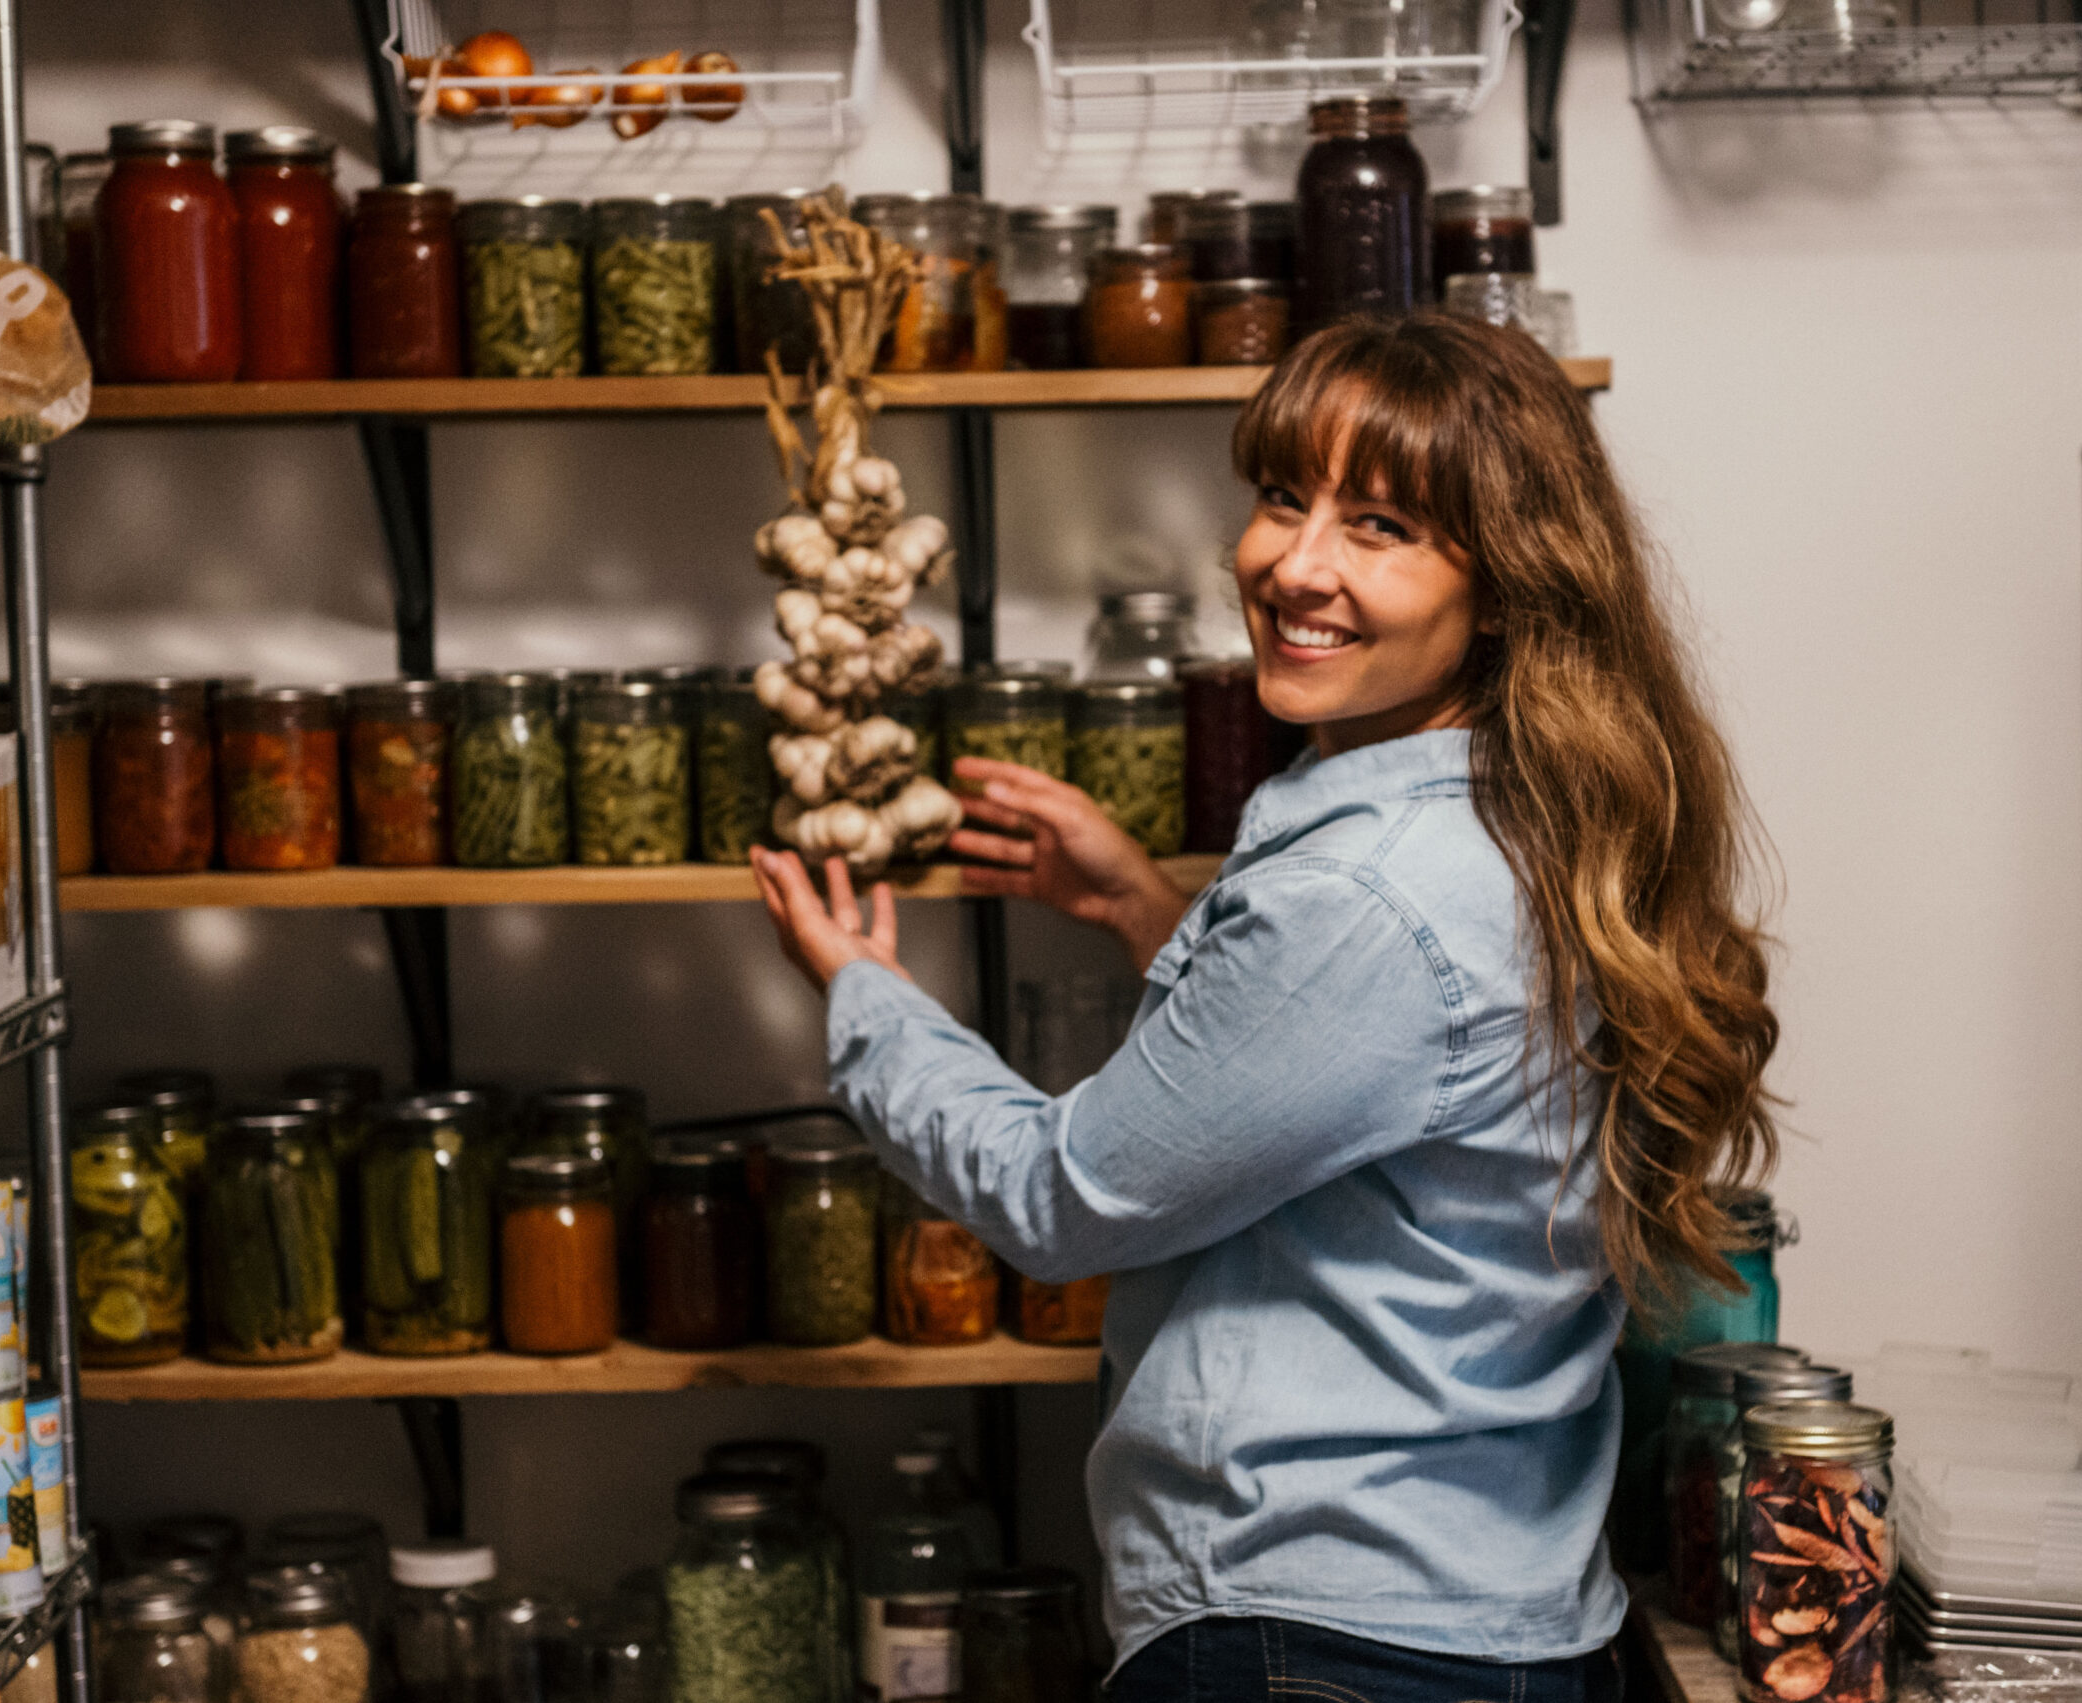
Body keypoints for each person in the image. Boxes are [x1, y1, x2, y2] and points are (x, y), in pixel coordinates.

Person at [750, 312, 1780, 1703]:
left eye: (1382, 527)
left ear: (1511, 583)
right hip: (1472, 1621)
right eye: (1285, 499)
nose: (1295, 566)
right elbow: (1390, 1086)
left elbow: (1064, 1200)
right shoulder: (1523, 819)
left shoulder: (1369, 896)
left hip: (1326, 1650)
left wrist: (869, 1004)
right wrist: (1140, 906)